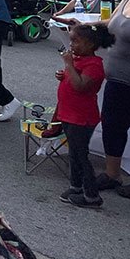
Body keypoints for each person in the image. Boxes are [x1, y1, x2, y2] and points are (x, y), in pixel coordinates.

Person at [54, 23, 115, 209]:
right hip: (69, 114)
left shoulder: (94, 65)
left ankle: (91, 195)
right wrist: (63, 74)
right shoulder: (78, 59)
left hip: (82, 118)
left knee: (81, 156)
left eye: (76, 41)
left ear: (90, 45)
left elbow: (81, 86)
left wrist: (68, 65)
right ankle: (76, 186)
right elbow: (71, 78)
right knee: (73, 153)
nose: (72, 45)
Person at [95, 0, 130, 198]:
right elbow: (110, 24)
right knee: (113, 127)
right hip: (116, 80)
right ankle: (112, 175)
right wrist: (85, 26)